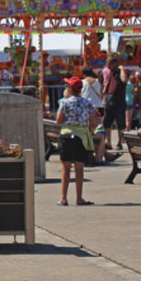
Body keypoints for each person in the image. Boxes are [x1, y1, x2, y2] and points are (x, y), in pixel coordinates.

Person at [56, 77, 95, 206]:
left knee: (65, 168)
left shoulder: (65, 103)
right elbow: (93, 122)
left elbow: (59, 121)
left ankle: (63, 198)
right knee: (79, 168)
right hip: (81, 136)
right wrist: (87, 132)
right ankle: (79, 198)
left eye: (67, 86)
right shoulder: (87, 103)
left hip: (67, 135)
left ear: (71, 89)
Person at [102, 56, 127, 149]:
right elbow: (105, 83)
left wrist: (122, 69)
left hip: (119, 100)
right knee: (107, 122)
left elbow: (124, 80)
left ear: (115, 64)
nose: (108, 66)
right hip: (109, 99)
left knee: (120, 122)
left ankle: (119, 142)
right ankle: (108, 143)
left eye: (109, 64)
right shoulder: (109, 72)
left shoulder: (122, 72)